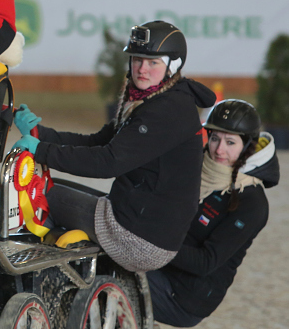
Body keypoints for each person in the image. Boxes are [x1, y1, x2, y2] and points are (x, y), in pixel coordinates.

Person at [12, 21, 216, 273]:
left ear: (172, 66)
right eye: (137, 59)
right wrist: (40, 134)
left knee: (38, 195)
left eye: (153, 62)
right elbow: (99, 141)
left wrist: (40, 151)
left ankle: (41, 272)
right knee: (50, 188)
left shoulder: (167, 110)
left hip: (141, 240)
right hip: (139, 221)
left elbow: (108, 162)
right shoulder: (150, 98)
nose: (142, 68)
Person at [146, 100, 279, 327]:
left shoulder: (252, 203)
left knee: (110, 273)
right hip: (156, 265)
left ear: (248, 146)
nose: (219, 150)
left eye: (230, 142)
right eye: (215, 138)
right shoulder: (195, 165)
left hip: (185, 297)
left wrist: (150, 242)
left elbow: (205, 262)